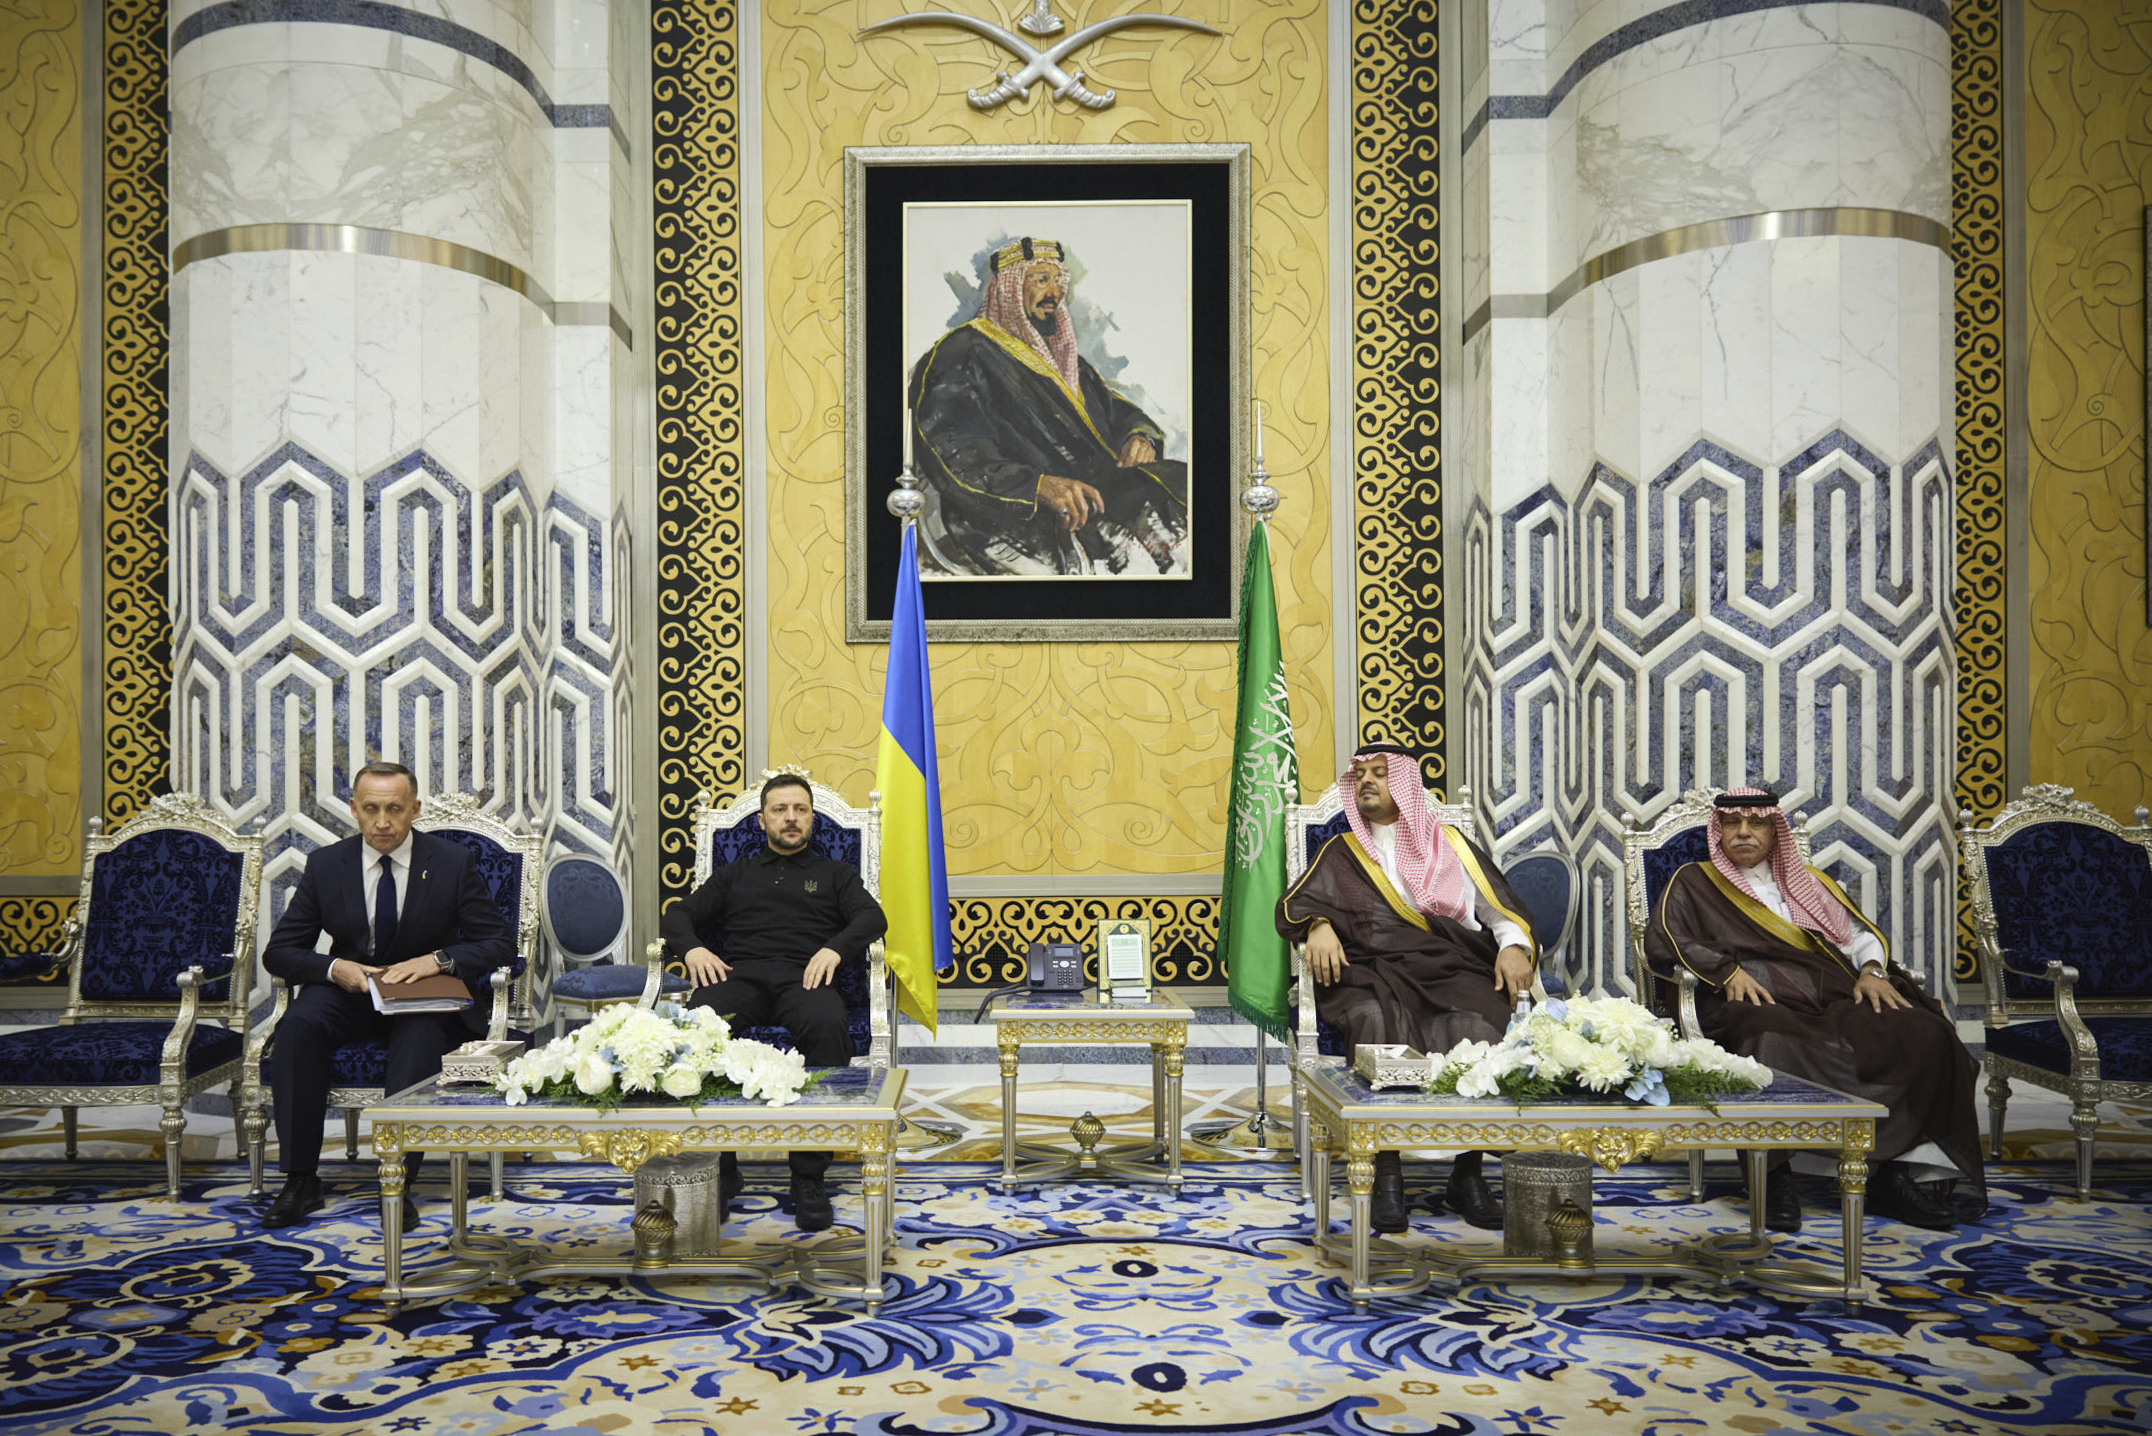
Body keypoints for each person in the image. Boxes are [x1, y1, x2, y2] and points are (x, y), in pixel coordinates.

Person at [1644, 788, 1983, 1231]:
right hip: (1749, 996)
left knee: (1922, 1031)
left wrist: (1873, 972)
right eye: (1731, 823)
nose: (1743, 832)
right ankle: (1773, 1177)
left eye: (1756, 823)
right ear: (1719, 830)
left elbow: (1857, 937)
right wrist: (1725, 973)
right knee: (1767, 1037)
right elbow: (1668, 938)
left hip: (1829, 992)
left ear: (1774, 830)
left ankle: (1895, 1173)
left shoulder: (1809, 881)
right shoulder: (1694, 880)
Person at [1276, 743, 1539, 1233]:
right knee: (1376, 1019)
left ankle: (1469, 1172)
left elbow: (1499, 912)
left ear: (1406, 785)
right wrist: (1317, 926)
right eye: (1361, 776)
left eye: (1380, 774)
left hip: (1452, 969)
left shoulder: (1451, 845)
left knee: (1484, 1019)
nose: (1367, 782)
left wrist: (1512, 946)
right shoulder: (1343, 851)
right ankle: (1386, 1169)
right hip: (1372, 973)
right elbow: (1300, 903)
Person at [260, 761, 515, 1230]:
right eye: (371, 809)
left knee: (419, 1036)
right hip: (350, 992)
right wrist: (336, 968)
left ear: (414, 809)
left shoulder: (451, 863)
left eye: (394, 809)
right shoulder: (326, 865)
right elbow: (279, 953)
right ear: (354, 810)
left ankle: (396, 1180)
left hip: (420, 997)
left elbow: (499, 943)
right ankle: (300, 1180)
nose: (382, 821)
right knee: (298, 1026)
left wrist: (436, 961)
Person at [659, 772, 888, 1231]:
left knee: (827, 1023)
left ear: (812, 820)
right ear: (762, 821)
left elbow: (872, 916)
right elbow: (678, 914)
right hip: (739, 977)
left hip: (803, 980)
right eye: (780, 810)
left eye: (800, 810)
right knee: (701, 1023)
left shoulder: (834, 874)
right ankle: (721, 1167)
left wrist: (834, 948)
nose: (790, 818)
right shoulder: (734, 874)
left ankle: (808, 1175)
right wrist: (694, 950)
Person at [907, 235, 1190, 577]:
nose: (1055, 293)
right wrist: (1037, 487)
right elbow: (955, 454)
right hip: (1017, 518)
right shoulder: (962, 352)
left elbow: (1113, 410)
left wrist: (1140, 435)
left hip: (1098, 498)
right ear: (1007, 290)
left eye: (1059, 281)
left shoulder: (1063, 360)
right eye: (1041, 280)